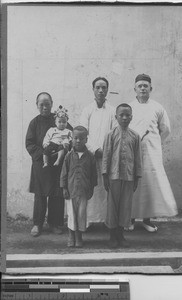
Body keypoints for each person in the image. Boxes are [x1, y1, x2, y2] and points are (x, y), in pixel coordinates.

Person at [129, 74, 178, 232]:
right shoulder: (129, 107)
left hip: (152, 153)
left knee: (149, 185)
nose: (143, 88)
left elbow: (165, 129)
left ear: (151, 88)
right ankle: (129, 219)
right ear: (135, 89)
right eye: (140, 85)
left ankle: (147, 220)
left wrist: (152, 142)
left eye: (145, 85)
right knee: (133, 184)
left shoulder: (158, 107)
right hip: (132, 152)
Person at [25, 92, 73, 237]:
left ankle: (55, 223)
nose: (45, 107)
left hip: (58, 165)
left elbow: (72, 137)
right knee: (40, 195)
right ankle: (37, 224)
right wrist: (43, 154)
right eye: (42, 104)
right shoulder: (34, 122)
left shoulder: (60, 119)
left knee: (57, 194)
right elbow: (29, 144)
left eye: (47, 104)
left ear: (52, 103)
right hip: (41, 164)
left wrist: (64, 150)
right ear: (37, 105)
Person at [102, 103, 142, 248]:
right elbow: (106, 155)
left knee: (125, 207)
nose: (124, 118)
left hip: (129, 177)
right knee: (113, 207)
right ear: (116, 117)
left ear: (131, 117)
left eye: (127, 115)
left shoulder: (135, 136)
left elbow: (138, 158)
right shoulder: (110, 135)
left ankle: (121, 235)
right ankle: (112, 236)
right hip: (113, 177)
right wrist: (105, 176)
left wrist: (137, 177)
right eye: (121, 115)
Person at [79, 77, 117, 226]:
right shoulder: (87, 110)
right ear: (93, 89)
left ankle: (108, 221)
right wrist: (95, 150)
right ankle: (88, 220)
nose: (101, 90)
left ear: (107, 89)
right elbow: (82, 133)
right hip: (91, 155)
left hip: (108, 156)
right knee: (90, 188)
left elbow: (115, 133)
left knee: (107, 188)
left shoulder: (113, 111)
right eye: (97, 87)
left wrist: (106, 151)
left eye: (104, 87)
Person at [60, 126, 97, 248]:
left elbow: (93, 174)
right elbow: (64, 173)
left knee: (81, 214)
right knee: (71, 214)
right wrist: (64, 188)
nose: (78, 141)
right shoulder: (68, 156)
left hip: (84, 191)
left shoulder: (90, 156)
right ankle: (71, 235)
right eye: (75, 138)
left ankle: (79, 236)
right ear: (72, 139)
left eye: (81, 138)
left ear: (86, 139)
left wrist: (91, 188)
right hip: (71, 191)